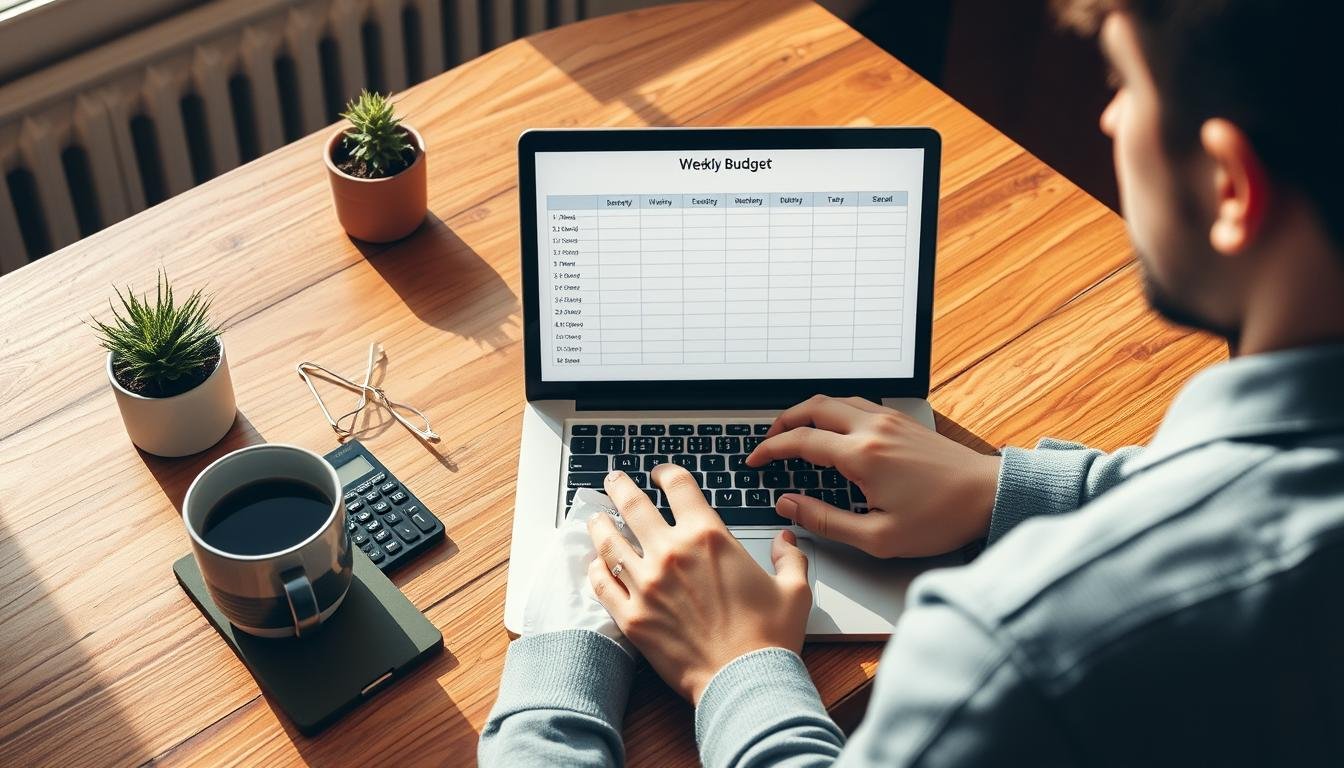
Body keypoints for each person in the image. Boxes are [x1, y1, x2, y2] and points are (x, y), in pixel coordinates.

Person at [480, 0, 1344, 764]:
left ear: (1231, 185)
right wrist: (1006, 488)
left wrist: (725, 665)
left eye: (1124, 82)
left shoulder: (1004, 649)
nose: (1111, 118)